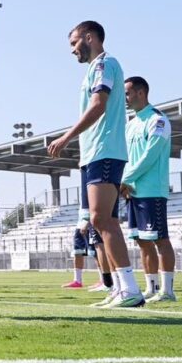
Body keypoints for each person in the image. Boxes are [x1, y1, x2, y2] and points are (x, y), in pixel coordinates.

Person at [47, 21, 143, 308]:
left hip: (105, 151)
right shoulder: (93, 69)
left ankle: (130, 289)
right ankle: (122, 287)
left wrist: (66, 137)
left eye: (75, 42)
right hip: (94, 154)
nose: (73, 49)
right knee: (101, 223)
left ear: (90, 37)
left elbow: (98, 104)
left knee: (102, 220)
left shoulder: (105, 64)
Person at [121, 76, 177, 303]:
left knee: (160, 240)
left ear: (141, 93)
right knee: (142, 240)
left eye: (128, 93)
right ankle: (151, 288)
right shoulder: (131, 123)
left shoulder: (158, 120)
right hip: (133, 191)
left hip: (153, 190)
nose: (125, 97)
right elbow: (127, 157)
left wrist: (125, 179)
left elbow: (150, 156)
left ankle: (168, 291)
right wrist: (126, 183)